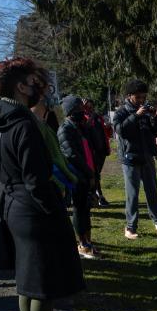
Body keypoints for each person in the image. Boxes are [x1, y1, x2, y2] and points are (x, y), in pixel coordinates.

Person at [0, 57, 85, 311]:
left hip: (12, 207)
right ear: (20, 87)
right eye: (32, 81)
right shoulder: (24, 123)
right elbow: (35, 178)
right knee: (41, 286)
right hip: (33, 211)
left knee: (26, 285)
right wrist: (52, 206)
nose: (38, 87)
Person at [113, 79, 157, 240]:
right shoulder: (121, 113)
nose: (141, 101)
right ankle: (130, 227)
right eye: (138, 97)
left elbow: (156, 131)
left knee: (152, 191)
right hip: (130, 159)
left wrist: (154, 116)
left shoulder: (145, 111)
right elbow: (121, 131)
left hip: (147, 157)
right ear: (130, 96)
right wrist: (136, 116)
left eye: (143, 97)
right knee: (132, 194)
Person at [58, 95, 96, 258]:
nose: (83, 112)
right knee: (79, 210)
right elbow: (72, 155)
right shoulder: (65, 129)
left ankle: (88, 239)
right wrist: (88, 173)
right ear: (71, 111)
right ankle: (82, 243)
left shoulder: (79, 127)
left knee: (86, 209)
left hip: (87, 174)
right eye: (80, 109)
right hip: (78, 175)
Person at [31, 70, 79, 199]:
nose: (52, 95)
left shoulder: (45, 125)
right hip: (51, 193)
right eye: (48, 90)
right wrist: (57, 186)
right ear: (40, 95)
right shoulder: (33, 127)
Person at [83, 98, 111, 206]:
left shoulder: (98, 117)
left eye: (91, 106)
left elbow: (105, 132)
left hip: (102, 150)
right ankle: (99, 196)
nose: (90, 109)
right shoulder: (83, 118)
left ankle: (96, 196)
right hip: (91, 151)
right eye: (87, 106)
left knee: (97, 174)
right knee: (94, 174)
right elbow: (85, 129)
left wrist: (108, 128)